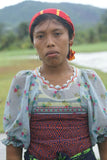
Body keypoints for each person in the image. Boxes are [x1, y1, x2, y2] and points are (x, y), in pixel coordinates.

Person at [2, 8, 107, 160]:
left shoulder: (89, 80)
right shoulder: (24, 82)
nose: (50, 43)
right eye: (40, 36)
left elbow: (104, 136)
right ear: (33, 42)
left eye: (57, 34)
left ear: (71, 38)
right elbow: (13, 143)